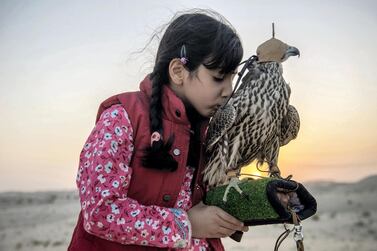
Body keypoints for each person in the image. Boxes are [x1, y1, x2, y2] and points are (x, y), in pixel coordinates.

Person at [68, 9, 249, 251]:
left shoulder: (211, 130)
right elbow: (100, 211)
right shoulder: (122, 118)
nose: (228, 90)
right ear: (178, 71)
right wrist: (187, 225)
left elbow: (215, 201)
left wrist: (273, 199)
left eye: (232, 77)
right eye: (218, 77)